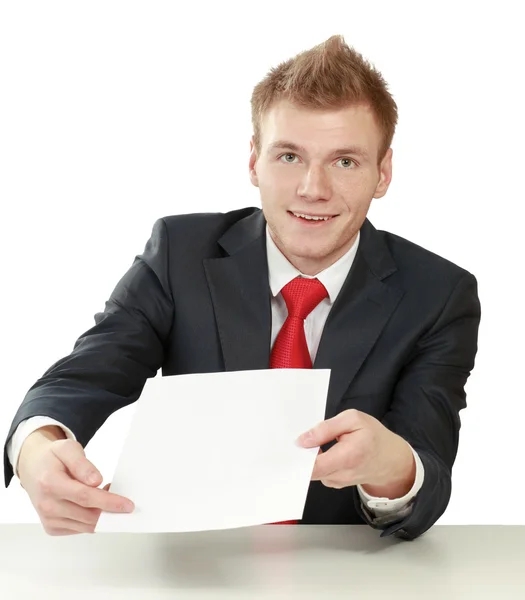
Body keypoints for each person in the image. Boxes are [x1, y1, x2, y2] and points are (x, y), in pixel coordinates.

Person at [3, 34, 481, 541]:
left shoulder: (438, 295)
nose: (312, 189)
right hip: (190, 564)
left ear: (383, 172)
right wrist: (37, 444)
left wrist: (392, 469)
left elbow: (428, 474)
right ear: (253, 161)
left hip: (344, 573)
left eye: (345, 161)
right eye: (289, 156)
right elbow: (85, 375)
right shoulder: (178, 254)